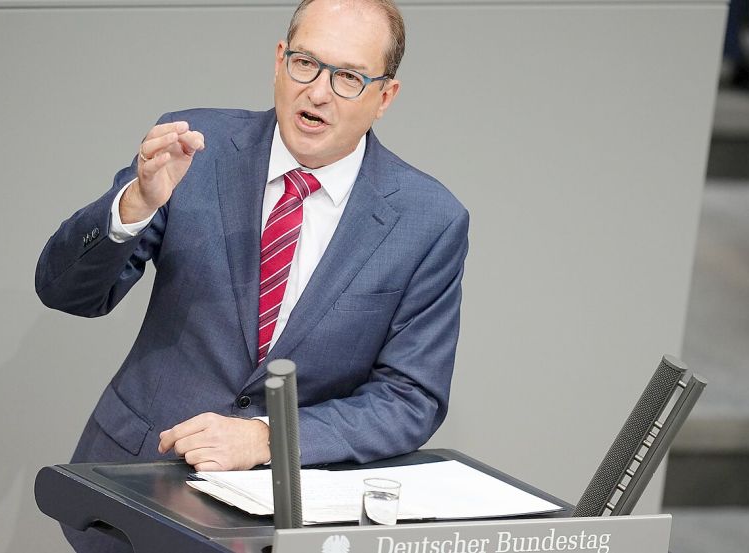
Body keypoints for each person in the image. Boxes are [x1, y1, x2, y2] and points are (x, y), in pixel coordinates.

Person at [36, 0, 467, 549]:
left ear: (385, 96)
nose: (318, 90)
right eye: (306, 63)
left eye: (349, 78)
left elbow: (410, 398)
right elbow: (64, 291)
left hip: (281, 516)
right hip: (131, 489)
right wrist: (133, 205)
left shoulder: (428, 218)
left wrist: (270, 437)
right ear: (279, 61)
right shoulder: (197, 149)